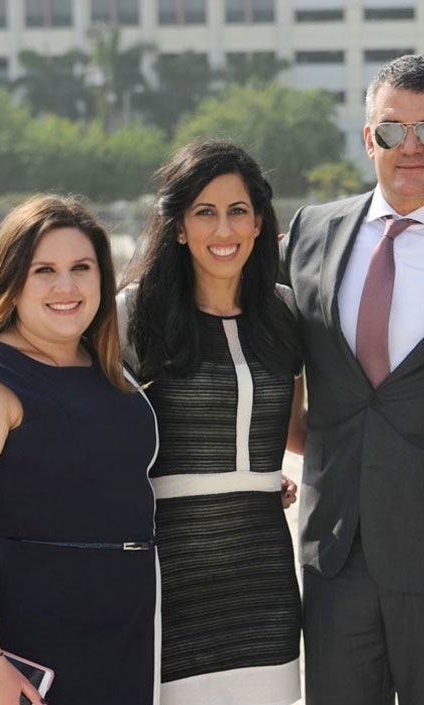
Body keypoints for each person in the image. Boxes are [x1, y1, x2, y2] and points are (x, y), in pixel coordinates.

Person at [281, 53, 424, 705]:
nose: (410, 146)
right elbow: (245, 338)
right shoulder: (309, 234)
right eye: (391, 130)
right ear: (368, 140)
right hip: (335, 555)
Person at [0, 195, 159, 705]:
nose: (67, 287)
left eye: (81, 267)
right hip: (28, 640)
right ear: (12, 281)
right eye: (44, 271)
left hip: (127, 634)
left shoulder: (109, 370)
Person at [118, 140, 302, 705]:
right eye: (204, 212)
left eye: (237, 211)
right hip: (172, 567)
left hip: (264, 568)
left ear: (258, 224)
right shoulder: (130, 315)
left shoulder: (286, 311)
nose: (223, 229)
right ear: (177, 227)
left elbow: (295, 429)